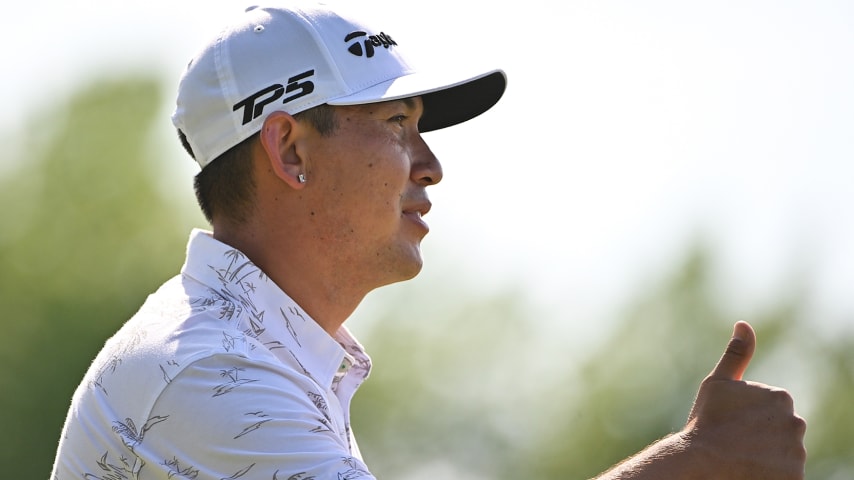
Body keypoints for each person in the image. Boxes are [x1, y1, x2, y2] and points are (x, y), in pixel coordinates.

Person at [51, 2, 806, 479]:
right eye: (395, 124)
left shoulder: (249, 354)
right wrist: (693, 467)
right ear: (289, 151)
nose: (432, 166)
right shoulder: (212, 370)